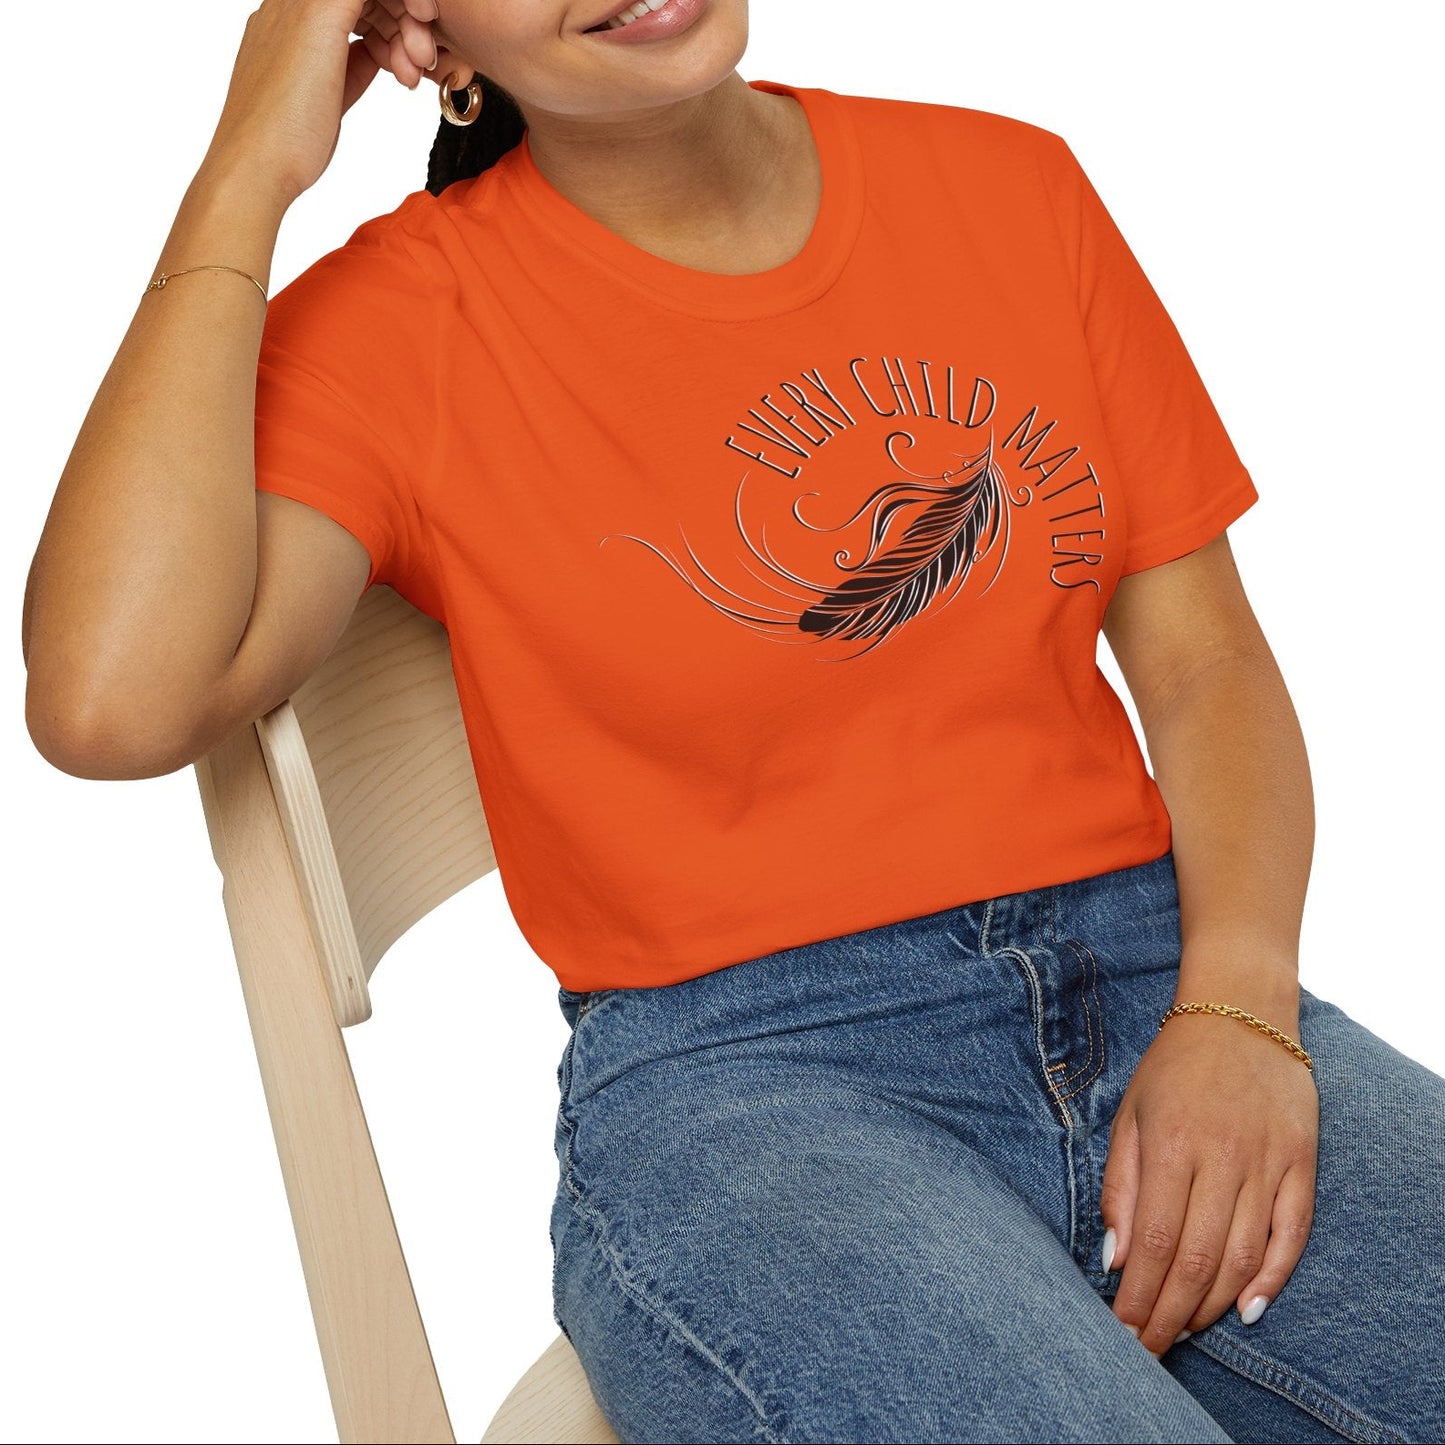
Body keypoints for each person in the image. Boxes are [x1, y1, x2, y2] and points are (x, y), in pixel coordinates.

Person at [19, 2, 1444, 1441]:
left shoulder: (1010, 188)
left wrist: (1239, 1002)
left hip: (1159, 977)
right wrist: (244, 169)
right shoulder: (405, 324)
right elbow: (109, 698)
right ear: (426, 36)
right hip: (752, 1090)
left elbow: (1208, 667)